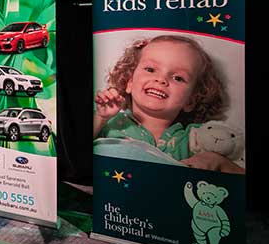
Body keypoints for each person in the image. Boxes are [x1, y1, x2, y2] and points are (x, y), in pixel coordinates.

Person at [93, 35, 243, 174]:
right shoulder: (108, 122)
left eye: (178, 78)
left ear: (190, 100)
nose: (161, 79)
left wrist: (217, 161)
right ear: (129, 83)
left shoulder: (195, 138)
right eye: (150, 69)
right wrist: (100, 118)